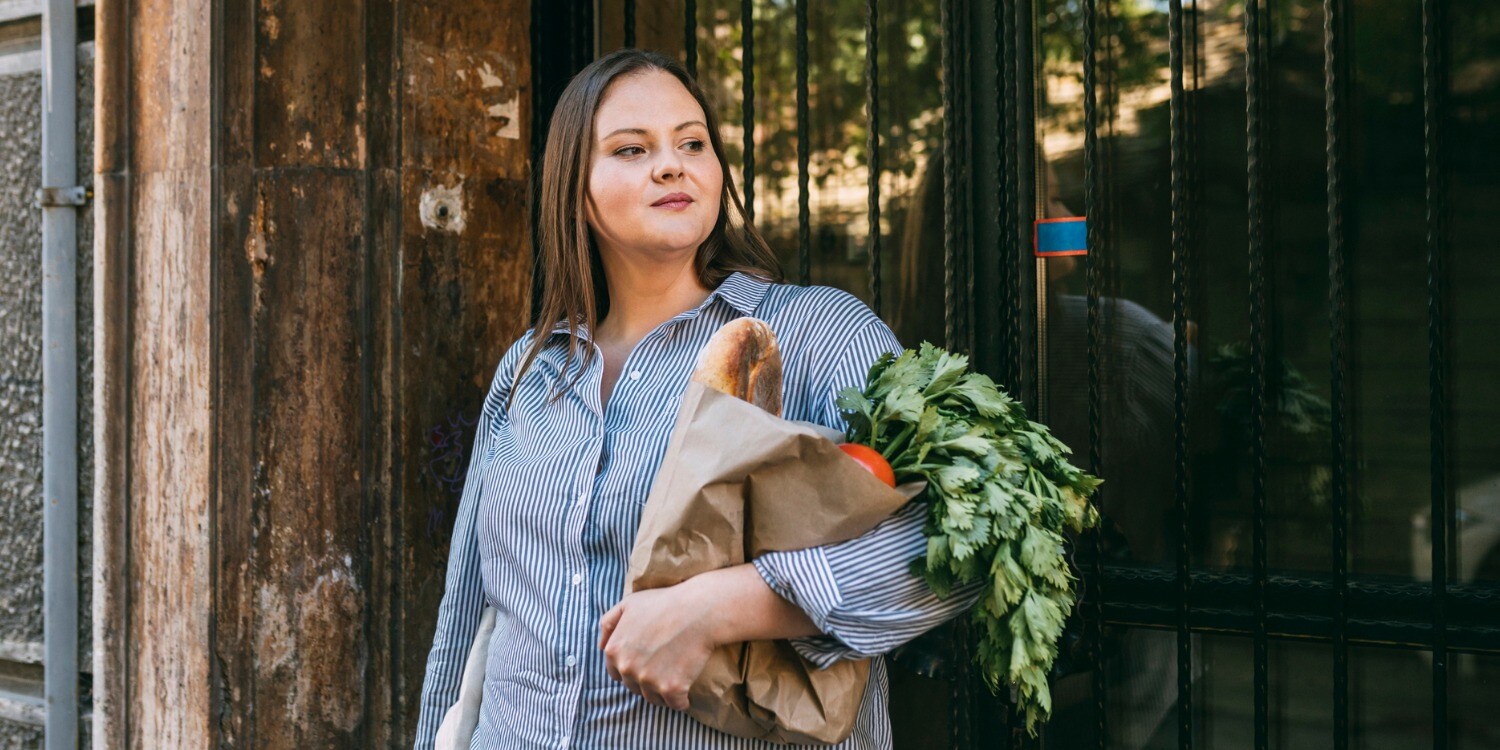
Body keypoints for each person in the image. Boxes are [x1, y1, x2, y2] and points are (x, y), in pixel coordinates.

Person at [412, 49, 982, 750]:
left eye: (692, 142)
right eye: (631, 148)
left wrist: (724, 606)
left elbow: (960, 545)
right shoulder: (529, 368)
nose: (672, 165)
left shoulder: (814, 335)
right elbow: (467, 613)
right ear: (574, 189)